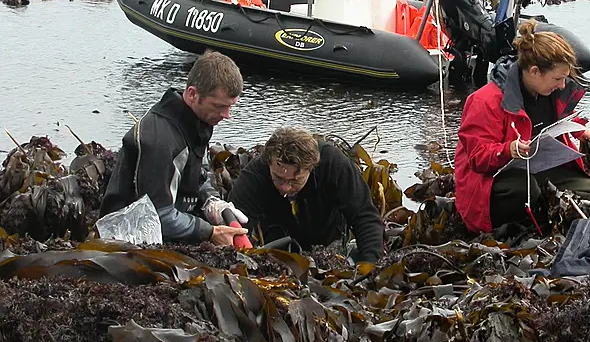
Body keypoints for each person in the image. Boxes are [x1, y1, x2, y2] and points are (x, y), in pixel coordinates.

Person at [454, 19, 590, 234]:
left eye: (564, 78)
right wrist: (508, 150)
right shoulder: (484, 101)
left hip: (538, 166)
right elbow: (477, 157)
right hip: (491, 180)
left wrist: (578, 129)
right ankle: (514, 230)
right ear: (533, 71)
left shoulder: (550, 91)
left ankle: (548, 219)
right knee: (525, 190)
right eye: (557, 78)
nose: (562, 85)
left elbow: (558, 121)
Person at [100, 51, 250, 245]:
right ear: (192, 94)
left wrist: (213, 203)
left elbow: (196, 178)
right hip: (128, 236)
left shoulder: (197, 121)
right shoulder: (159, 139)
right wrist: (210, 232)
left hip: (174, 225)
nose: (227, 115)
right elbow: (157, 217)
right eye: (219, 106)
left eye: (231, 106)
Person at [227, 127, 385, 263]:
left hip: (329, 247)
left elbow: (365, 218)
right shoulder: (256, 174)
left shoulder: (334, 164)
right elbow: (236, 225)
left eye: (295, 180)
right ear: (269, 163)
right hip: (278, 251)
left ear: (312, 167)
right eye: (278, 178)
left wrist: (369, 268)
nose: (285, 188)